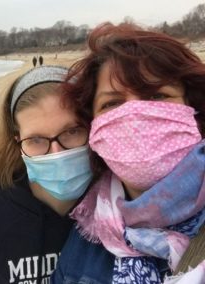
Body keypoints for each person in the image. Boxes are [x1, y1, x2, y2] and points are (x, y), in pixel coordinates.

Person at [52, 22, 205, 283]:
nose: (134, 118)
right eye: (112, 103)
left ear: (194, 108)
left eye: (157, 96)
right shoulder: (84, 242)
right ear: (93, 127)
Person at [0, 66, 93, 283]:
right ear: (18, 143)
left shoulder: (117, 209)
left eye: (72, 131)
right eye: (36, 140)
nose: (57, 154)